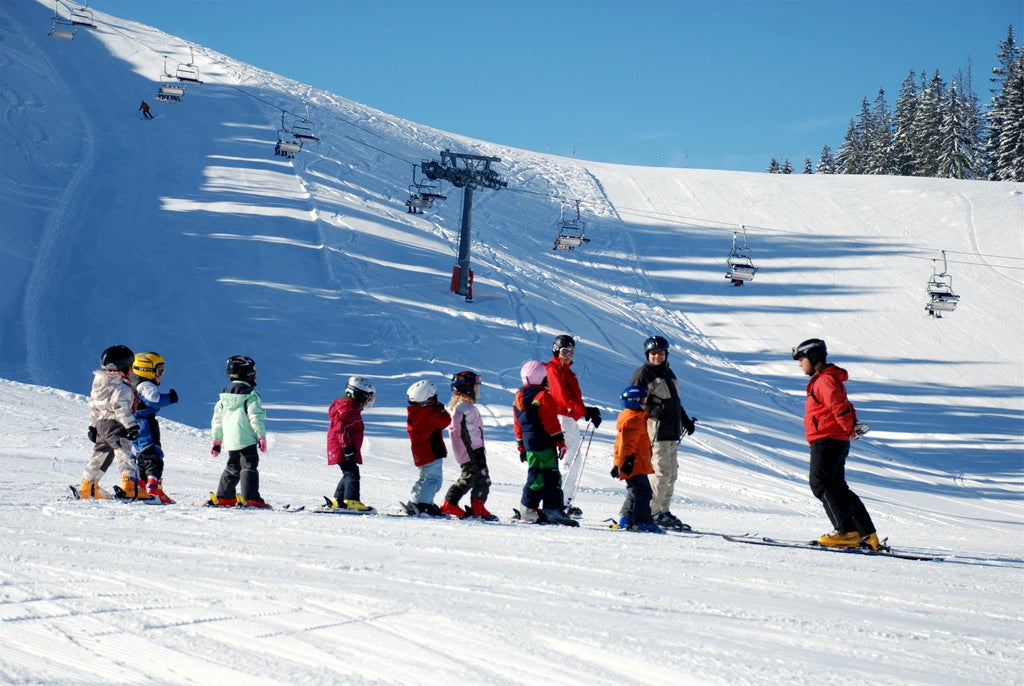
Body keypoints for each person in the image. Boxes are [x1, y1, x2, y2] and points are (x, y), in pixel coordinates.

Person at [792, 339, 880, 550]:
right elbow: (845, 406)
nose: (800, 364)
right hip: (834, 439)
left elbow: (839, 407)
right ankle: (866, 534)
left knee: (820, 484)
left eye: (801, 359)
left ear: (813, 358)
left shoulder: (825, 380)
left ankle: (846, 532)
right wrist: (850, 427)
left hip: (827, 439)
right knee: (838, 488)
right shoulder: (828, 379)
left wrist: (849, 428)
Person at [629, 335, 696, 531]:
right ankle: (651, 512)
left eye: (661, 353)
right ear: (647, 354)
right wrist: (650, 410)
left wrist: (684, 420)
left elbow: (675, 401)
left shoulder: (669, 373)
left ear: (666, 354)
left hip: (671, 431)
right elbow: (633, 401)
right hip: (655, 431)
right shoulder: (643, 374)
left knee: (672, 474)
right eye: (653, 353)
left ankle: (663, 511)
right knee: (660, 473)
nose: (657, 356)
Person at [544, 334, 602, 515]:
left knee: (574, 460)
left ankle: (565, 500)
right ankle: (557, 501)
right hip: (561, 418)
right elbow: (562, 397)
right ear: (556, 350)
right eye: (565, 351)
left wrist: (584, 411)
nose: (568, 355)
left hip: (569, 419)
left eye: (571, 352)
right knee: (568, 461)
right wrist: (585, 410)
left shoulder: (567, 372)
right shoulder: (553, 369)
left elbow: (571, 398)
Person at [514, 360, 574, 525]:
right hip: (544, 443)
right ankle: (543, 508)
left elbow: (517, 423)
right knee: (549, 476)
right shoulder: (543, 396)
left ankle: (533, 508)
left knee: (538, 474)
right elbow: (550, 422)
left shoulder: (518, 396)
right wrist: (560, 441)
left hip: (530, 444)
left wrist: (521, 445)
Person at [80, 345, 142, 499]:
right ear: (126, 368)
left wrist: (93, 426)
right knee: (124, 453)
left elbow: (94, 406)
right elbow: (120, 408)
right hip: (116, 424)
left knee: (101, 454)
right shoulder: (122, 388)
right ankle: (130, 487)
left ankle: (88, 486)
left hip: (102, 424)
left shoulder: (99, 384)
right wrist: (131, 426)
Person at [208, 355, 268, 508]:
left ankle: (224, 496)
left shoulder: (224, 396)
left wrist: (217, 440)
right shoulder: (251, 395)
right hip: (247, 438)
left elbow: (217, 420)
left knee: (233, 466)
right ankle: (250, 498)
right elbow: (255, 416)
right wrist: (260, 435)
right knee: (249, 466)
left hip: (231, 440)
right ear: (247, 374)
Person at [440, 371, 496, 520]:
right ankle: (449, 504)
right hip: (471, 451)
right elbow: (473, 433)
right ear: (468, 389)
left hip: (466, 451)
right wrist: (478, 452)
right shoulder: (466, 409)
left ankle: (478, 507)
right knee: (472, 477)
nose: (478, 391)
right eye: (477, 387)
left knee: (479, 478)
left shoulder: (461, 407)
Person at [130, 352, 179, 503]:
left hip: (134, 424)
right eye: (159, 371)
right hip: (146, 425)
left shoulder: (132, 385)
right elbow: (154, 400)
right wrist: (170, 398)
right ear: (146, 371)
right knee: (154, 457)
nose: (161, 376)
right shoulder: (146, 385)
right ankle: (154, 489)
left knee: (143, 458)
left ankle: (142, 487)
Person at [611, 385, 660, 533]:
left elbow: (619, 445)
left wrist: (617, 463)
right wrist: (627, 461)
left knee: (635, 491)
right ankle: (641, 520)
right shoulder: (633, 420)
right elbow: (626, 444)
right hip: (634, 463)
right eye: (643, 401)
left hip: (635, 462)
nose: (645, 404)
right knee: (644, 492)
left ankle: (627, 518)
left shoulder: (636, 418)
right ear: (633, 401)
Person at [326, 376, 376, 511]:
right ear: (358, 394)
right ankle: (352, 501)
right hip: (342, 448)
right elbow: (340, 429)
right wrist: (347, 448)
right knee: (352, 473)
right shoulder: (347, 409)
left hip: (344, 447)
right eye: (367, 397)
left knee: (349, 472)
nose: (368, 401)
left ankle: (339, 500)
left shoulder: (350, 407)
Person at [404, 379, 450, 516]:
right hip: (431, 451)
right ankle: (424, 505)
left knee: (424, 478)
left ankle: (414, 502)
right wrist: (440, 408)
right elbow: (446, 420)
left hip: (421, 452)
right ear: (427, 400)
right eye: (434, 397)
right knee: (434, 479)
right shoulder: (429, 414)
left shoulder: (416, 412)